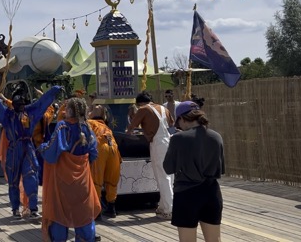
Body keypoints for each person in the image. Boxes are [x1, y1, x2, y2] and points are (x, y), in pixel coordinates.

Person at [0, 81, 62, 220]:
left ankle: (33, 208)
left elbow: (42, 103)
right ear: (13, 102)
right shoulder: (7, 115)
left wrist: (53, 91)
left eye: (22, 101)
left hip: (28, 147)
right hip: (14, 150)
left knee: (31, 176)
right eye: (17, 101)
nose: (20, 103)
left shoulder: (31, 111)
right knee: (13, 179)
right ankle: (15, 209)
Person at [39, 97, 101, 242]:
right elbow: (93, 153)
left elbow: (51, 151)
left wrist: (41, 148)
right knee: (84, 212)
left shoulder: (62, 127)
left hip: (63, 180)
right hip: (83, 180)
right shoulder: (88, 128)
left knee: (60, 212)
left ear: (70, 110)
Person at [163, 101, 225, 242]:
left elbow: (168, 167)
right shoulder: (216, 137)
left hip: (186, 193)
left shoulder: (178, 138)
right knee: (214, 240)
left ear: (182, 119)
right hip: (211, 192)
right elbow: (220, 169)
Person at [127, 91, 174, 219]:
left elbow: (131, 127)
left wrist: (132, 130)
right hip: (169, 141)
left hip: (158, 144)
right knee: (169, 176)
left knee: (162, 176)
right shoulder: (164, 109)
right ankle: (164, 205)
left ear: (140, 103)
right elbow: (172, 126)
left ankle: (169, 209)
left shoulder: (143, 109)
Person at [87, 104, 121, 218]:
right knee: (111, 180)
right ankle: (111, 208)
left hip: (100, 147)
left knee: (96, 180)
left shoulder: (90, 123)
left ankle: (96, 212)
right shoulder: (107, 127)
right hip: (113, 148)